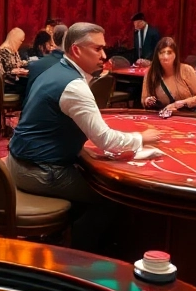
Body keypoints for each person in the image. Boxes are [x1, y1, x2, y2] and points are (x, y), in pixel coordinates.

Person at [8, 23, 162, 249]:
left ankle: (63, 235)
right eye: (97, 49)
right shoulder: (73, 86)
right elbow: (105, 140)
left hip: (19, 162)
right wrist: (142, 137)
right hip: (37, 171)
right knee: (112, 197)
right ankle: (80, 256)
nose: (104, 55)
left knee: (89, 181)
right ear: (76, 50)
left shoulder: (55, 69)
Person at [141, 37, 196, 114]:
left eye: (169, 52)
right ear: (157, 55)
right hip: (165, 115)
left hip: (189, 114)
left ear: (175, 55)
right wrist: (148, 101)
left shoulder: (186, 70)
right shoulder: (150, 73)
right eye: (162, 52)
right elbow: (144, 99)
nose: (165, 56)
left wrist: (180, 104)